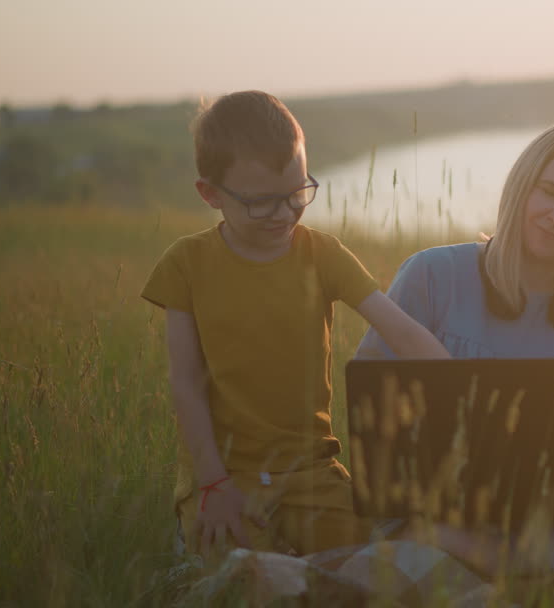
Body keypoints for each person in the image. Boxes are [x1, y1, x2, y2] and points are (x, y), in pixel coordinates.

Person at [141, 90, 449, 560]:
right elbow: (186, 383)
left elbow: (402, 332)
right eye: (261, 202)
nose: (284, 214)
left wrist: (466, 393)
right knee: (243, 580)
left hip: (312, 474)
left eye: (297, 193)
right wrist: (214, 484)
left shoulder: (322, 254)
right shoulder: (185, 264)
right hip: (226, 475)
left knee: (369, 572)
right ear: (211, 194)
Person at [355, 120, 554, 531]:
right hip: (435, 524)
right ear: (522, 187)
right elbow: (371, 416)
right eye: (550, 192)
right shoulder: (431, 277)